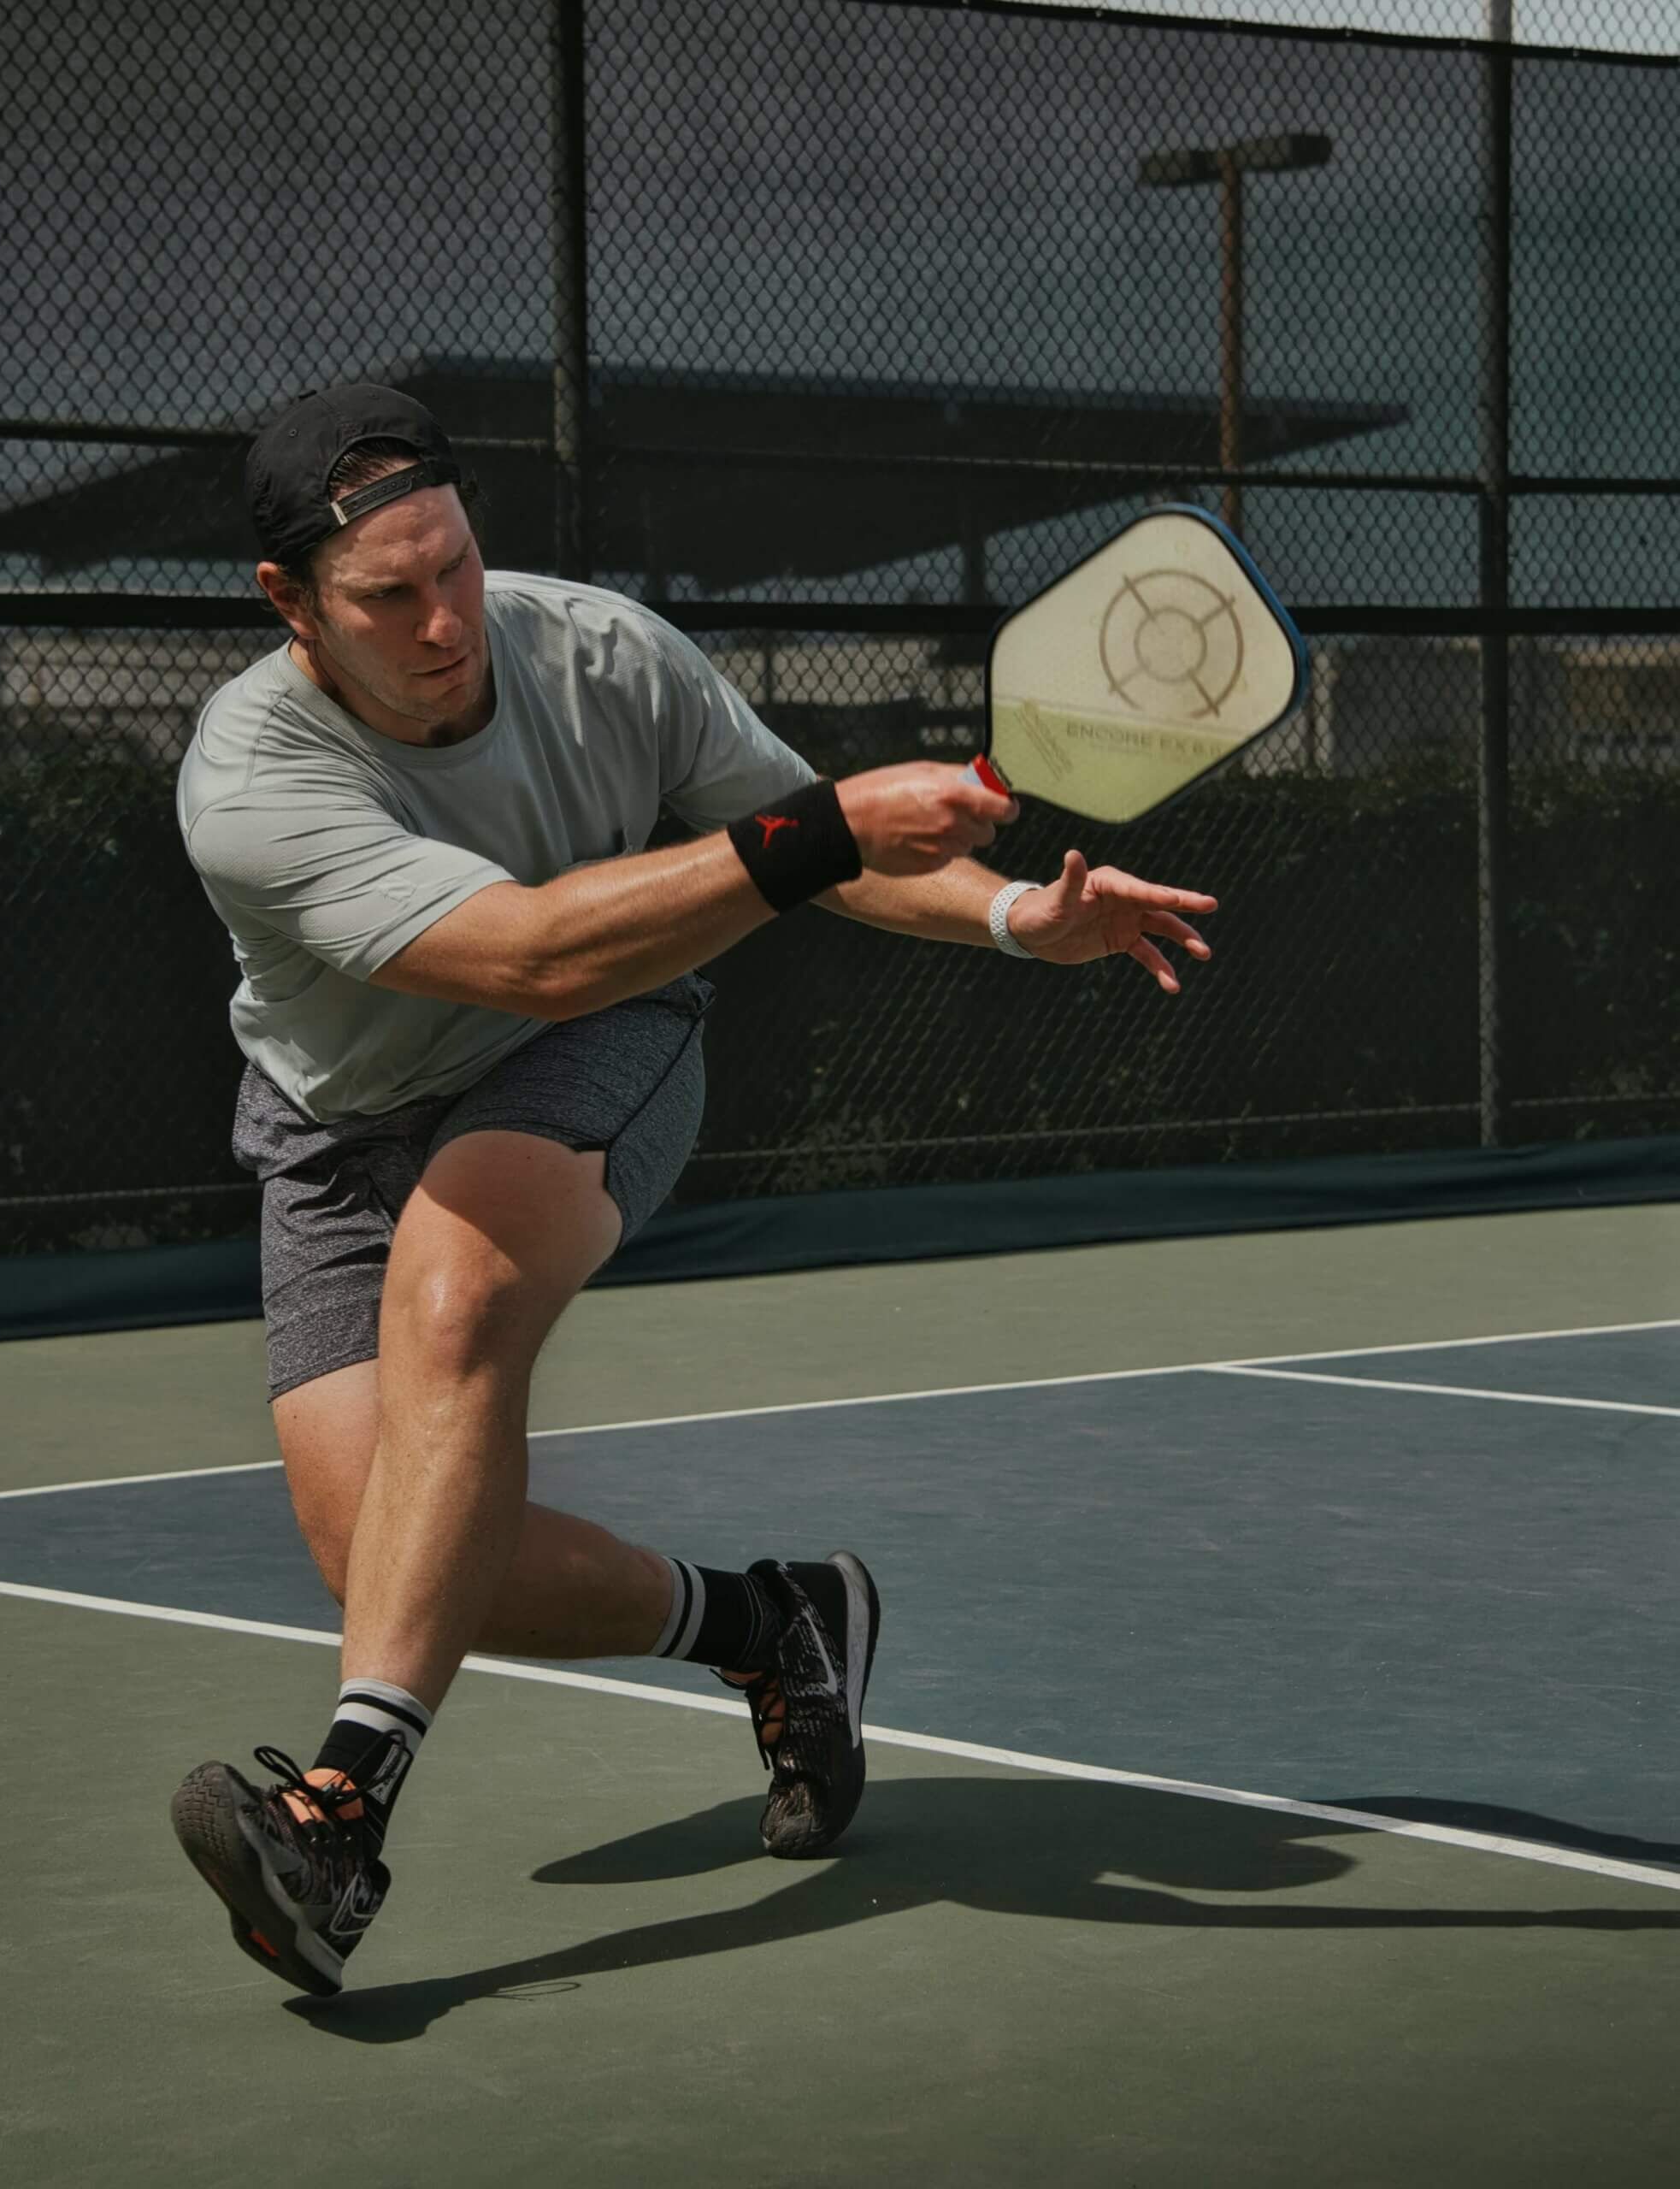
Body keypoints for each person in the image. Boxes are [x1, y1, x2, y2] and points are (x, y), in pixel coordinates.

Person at [168, 382, 1217, 1997]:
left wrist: (1018, 917)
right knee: (380, 1548)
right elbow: (526, 948)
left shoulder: (600, 654)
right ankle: (770, 1623)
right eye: (388, 593)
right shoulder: (249, 777)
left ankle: (337, 1818)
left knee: (454, 1300)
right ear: (289, 603)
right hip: (342, 1122)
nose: (444, 619)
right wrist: (820, 828)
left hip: (600, 1043)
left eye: (452, 562)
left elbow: (818, 853)